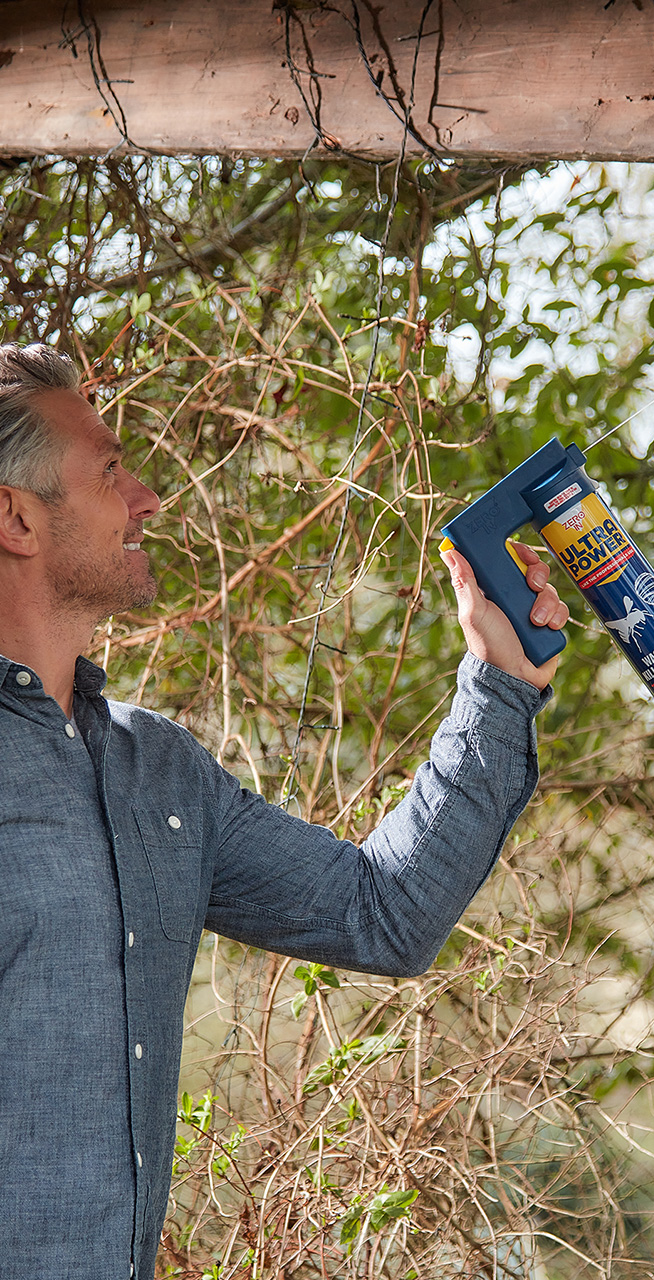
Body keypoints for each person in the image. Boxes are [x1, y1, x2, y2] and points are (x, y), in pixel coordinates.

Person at [0, 342, 569, 1279]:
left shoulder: (161, 774)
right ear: (17, 518)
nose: (146, 499)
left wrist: (497, 682)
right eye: (110, 470)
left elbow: (384, 914)